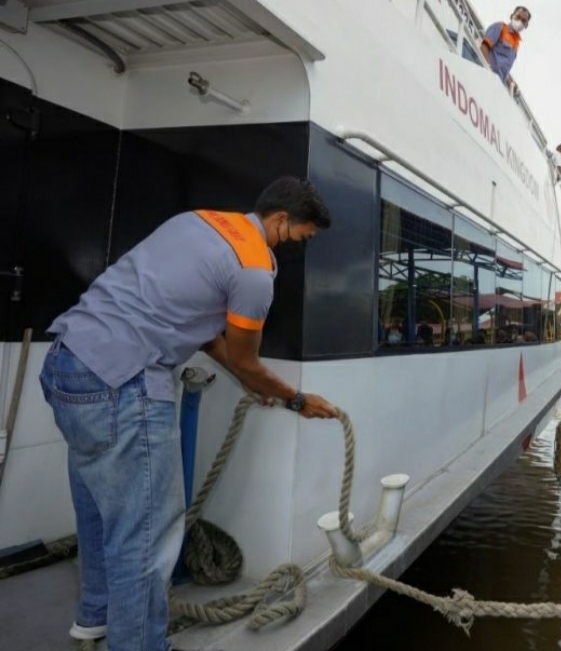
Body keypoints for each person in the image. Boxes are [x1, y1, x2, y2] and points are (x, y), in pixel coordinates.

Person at [39, 177, 340, 651]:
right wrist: (296, 400)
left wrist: (247, 382)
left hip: (66, 364)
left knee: (99, 509)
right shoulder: (255, 269)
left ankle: (94, 618)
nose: (305, 242)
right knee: (145, 535)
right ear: (282, 220)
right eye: (306, 233)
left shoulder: (197, 222)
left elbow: (197, 329)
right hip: (125, 384)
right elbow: (246, 357)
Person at [481, 6, 531, 88]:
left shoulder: (516, 44)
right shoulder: (500, 27)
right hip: (487, 77)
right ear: (512, 16)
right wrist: (487, 70)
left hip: (497, 84)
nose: (520, 21)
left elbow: (503, 67)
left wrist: (510, 81)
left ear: (526, 25)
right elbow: (484, 47)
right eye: (518, 17)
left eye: (523, 20)